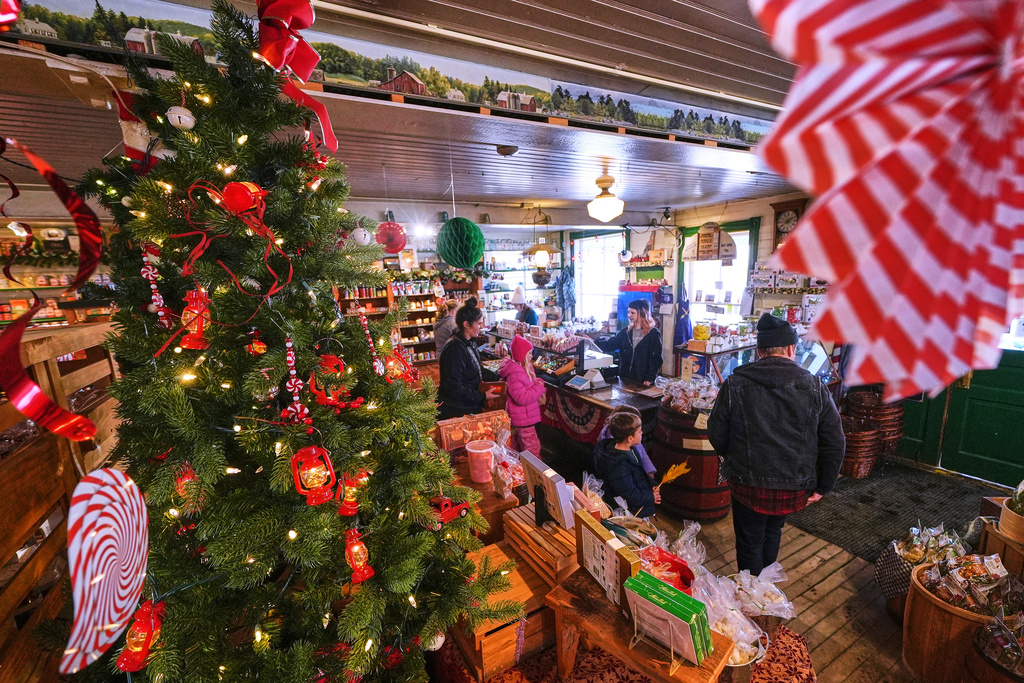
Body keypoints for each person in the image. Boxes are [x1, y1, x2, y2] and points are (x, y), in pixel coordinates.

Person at [707, 313, 845, 574]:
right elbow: (835, 442)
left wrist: (734, 459)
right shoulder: (816, 386)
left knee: (749, 540)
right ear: (792, 349)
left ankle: (751, 598)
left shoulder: (735, 384)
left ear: (759, 351)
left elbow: (716, 433)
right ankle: (765, 589)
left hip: (746, 484)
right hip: (793, 486)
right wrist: (823, 486)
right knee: (773, 530)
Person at [437, 298, 500, 419]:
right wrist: (482, 396)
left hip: (468, 406)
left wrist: (500, 376)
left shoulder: (470, 342)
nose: (481, 327)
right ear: (466, 324)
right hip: (456, 410)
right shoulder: (455, 349)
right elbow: (453, 387)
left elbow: (478, 370)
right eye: (479, 323)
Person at [592, 411, 661, 517]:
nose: (642, 433)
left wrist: (651, 484)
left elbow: (639, 471)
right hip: (629, 511)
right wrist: (650, 497)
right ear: (630, 438)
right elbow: (628, 494)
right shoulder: (619, 466)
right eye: (639, 431)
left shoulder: (631, 449)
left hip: (639, 501)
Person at [499, 335, 546, 456]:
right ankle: (536, 473)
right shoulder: (514, 374)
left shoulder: (525, 368)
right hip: (523, 419)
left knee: (520, 448)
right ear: (522, 355)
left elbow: (529, 383)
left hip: (525, 417)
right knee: (532, 450)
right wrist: (540, 387)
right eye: (529, 353)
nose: (532, 356)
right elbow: (522, 398)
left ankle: (521, 472)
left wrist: (538, 381)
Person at [610, 299, 663, 385]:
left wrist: (650, 378)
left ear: (642, 313)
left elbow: (656, 359)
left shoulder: (653, 334)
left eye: (632, 313)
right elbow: (612, 344)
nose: (629, 315)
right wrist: (592, 341)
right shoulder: (626, 332)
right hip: (624, 379)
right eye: (628, 312)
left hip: (643, 381)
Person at [597, 405, 656, 477]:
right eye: (637, 429)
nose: (641, 432)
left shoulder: (630, 437)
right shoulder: (612, 447)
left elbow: (642, 451)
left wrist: (649, 471)